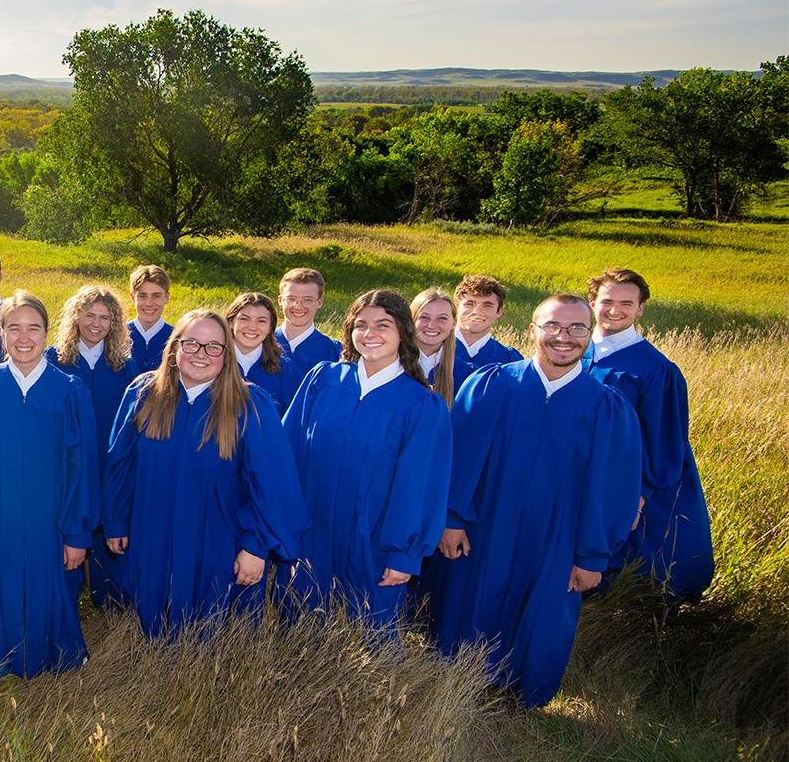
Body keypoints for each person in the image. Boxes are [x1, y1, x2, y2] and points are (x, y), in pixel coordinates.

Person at [428, 294, 642, 708]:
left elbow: (612, 492)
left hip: (559, 538)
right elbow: (459, 457)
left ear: (590, 332)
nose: (564, 337)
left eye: (577, 328)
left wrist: (592, 556)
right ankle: (457, 684)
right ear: (533, 331)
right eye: (552, 327)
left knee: (542, 613)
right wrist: (451, 518)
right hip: (484, 528)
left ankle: (519, 694)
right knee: (470, 602)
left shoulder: (607, 408)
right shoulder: (493, 385)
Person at [103, 311, 309, 638]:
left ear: (227, 355)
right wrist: (115, 520)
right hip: (152, 531)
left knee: (212, 633)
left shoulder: (248, 404)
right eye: (192, 344)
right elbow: (120, 464)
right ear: (174, 349)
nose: (202, 355)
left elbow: (272, 483)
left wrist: (256, 547)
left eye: (214, 347)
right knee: (150, 624)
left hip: (218, 539)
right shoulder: (144, 394)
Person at [278, 289, 451, 628]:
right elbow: (288, 453)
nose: (370, 333)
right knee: (298, 627)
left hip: (374, 542)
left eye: (383, 325)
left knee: (370, 636)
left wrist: (404, 553)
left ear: (403, 331)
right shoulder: (324, 380)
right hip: (311, 534)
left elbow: (420, 485)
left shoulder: (421, 404)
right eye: (361, 324)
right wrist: (283, 524)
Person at [0, 292, 99, 677]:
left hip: (49, 517)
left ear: (46, 333)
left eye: (33, 328)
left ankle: (49, 655)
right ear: (1, 334)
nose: (24, 337)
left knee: (47, 584)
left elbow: (81, 467)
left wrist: (77, 533)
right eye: (13, 327)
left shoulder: (68, 391)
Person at [585, 268, 715, 600]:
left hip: (625, 477)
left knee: (629, 554)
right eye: (607, 301)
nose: (615, 310)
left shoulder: (655, 368)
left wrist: (639, 494)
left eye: (626, 303)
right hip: (580, 468)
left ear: (641, 307)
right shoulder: (573, 351)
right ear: (592, 302)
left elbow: (663, 439)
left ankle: (628, 613)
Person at [45, 284, 139, 610]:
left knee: (107, 529)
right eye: (89, 315)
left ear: (114, 323)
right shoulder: (53, 361)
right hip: (64, 466)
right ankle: (64, 599)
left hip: (108, 464)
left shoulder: (125, 366)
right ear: (75, 318)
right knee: (66, 528)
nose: (96, 323)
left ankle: (108, 600)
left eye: (105, 317)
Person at [275, 267, 342, 401]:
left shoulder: (334, 353)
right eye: (291, 298)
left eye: (307, 299)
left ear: (319, 302)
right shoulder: (261, 343)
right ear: (280, 300)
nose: (298, 306)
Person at [224, 292, 292, 414]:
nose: (252, 327)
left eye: (261, 321)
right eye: (244, 319)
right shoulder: (212, 362)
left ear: (270, 327)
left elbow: (292, 421)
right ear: (231, 322)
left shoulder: (286, 370)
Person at [453, 275, 523, 384]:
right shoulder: (432, 349)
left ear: (499, 311)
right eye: (470, 304)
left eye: (487, 305)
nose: (477, 311)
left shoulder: (510, 361)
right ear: (455, 307)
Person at [412, 287, 459, 406]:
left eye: (442, 318)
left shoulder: (465, 373)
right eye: (424, 317)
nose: (432, 325)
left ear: (453, 323)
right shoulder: (391, 366)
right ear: (411, 320)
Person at [126, 265, 173, 374]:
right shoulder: (118, 336)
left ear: (166, 297)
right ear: (132, 298)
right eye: (142, 296)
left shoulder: (176, 338)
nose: (149, 303)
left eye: (156, 296)